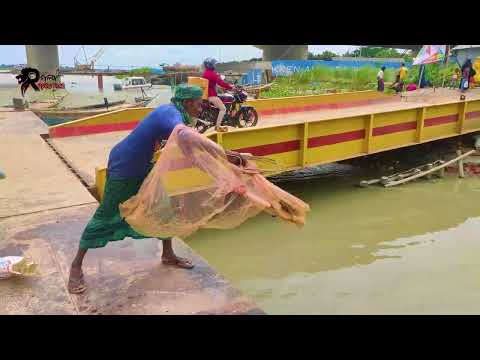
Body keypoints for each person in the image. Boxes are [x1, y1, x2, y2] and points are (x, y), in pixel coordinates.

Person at [68, 84, 247, 294]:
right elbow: (186, 135)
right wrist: (226, 154)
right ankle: (76, 267)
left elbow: (193, 156)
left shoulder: (173, 113)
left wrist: (228, 172)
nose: (201, 109)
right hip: (124, 168)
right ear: (188, 103)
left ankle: (168, 254)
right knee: (105, 216)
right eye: (199, 105)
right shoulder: (170, 116)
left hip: (143, 166)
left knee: (164, 206)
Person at [202, 58, 235, 131]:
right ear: (211, 65)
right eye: (214, 64)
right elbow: (221, 82)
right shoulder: (212, 74)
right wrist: (230, 87)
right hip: (211, 96)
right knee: (223, 109)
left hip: (206, 95)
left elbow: (213, 84)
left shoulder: (205, 73)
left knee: (219, 105)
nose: (215, 65)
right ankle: (217, 127)